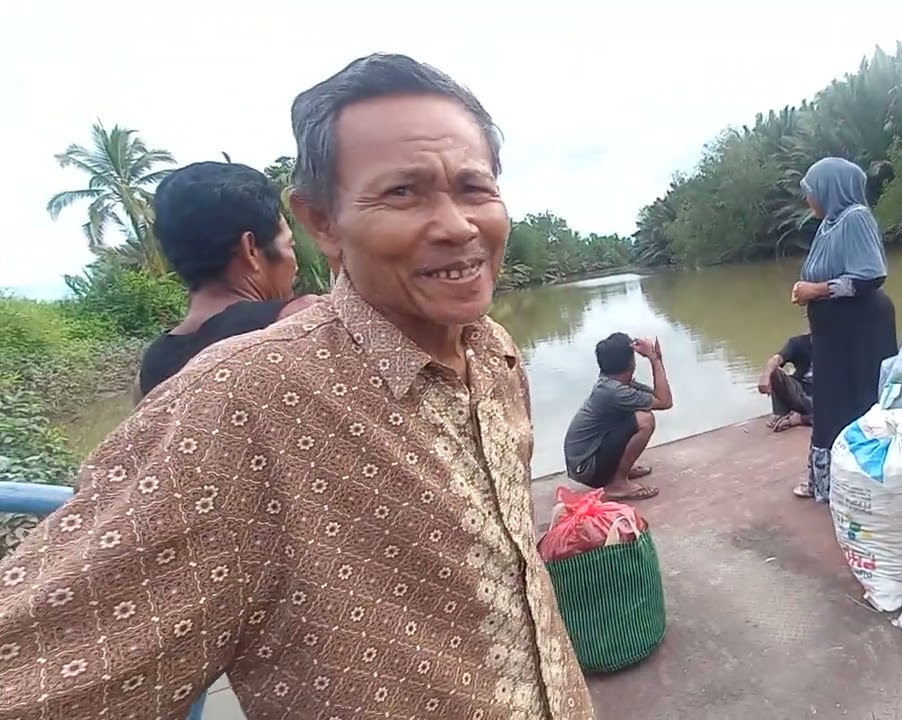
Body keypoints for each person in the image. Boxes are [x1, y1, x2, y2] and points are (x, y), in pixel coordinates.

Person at [0, 54, 594, 720]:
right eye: (403, 192)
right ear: (320, 221)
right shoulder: (236, 406)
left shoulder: (494, 354)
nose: (457, 225)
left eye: (474, 188)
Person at [135, 161, 320, 399]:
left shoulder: (149, 373)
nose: (294, 262)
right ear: (250, 249)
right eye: (289, 244)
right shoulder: (303, 320)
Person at [789, 157, 898, 501]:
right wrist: (806, 288)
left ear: (830, 189)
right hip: (835, 333)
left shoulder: (855, 218)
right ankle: (832, 481)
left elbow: (870, 275)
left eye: (812, 191)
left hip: (861, 329)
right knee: (831, 400)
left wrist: (816, 291)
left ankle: (863, 481)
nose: (809, 199)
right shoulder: (828, 225)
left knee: (858, 399)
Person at [563, 333, 673, 501]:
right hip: (586, 471)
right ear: (632, 363)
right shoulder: (615, 392)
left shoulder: (612, 384)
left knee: (639, 414)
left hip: (583, 465)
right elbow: (665, 401)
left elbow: (659, 397)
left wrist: (655, 358)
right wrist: (654, 359)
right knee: (645, 420)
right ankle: (617, 485)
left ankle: (619, 472)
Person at [757, 332, 814, 432]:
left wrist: (800, 420)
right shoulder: (798, 342)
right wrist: (765, 376)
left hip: (822, 398)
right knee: (773, 372)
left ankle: (801, 418)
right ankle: (781, 414)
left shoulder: (838, 345)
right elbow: (776, 359)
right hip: (800, 392)